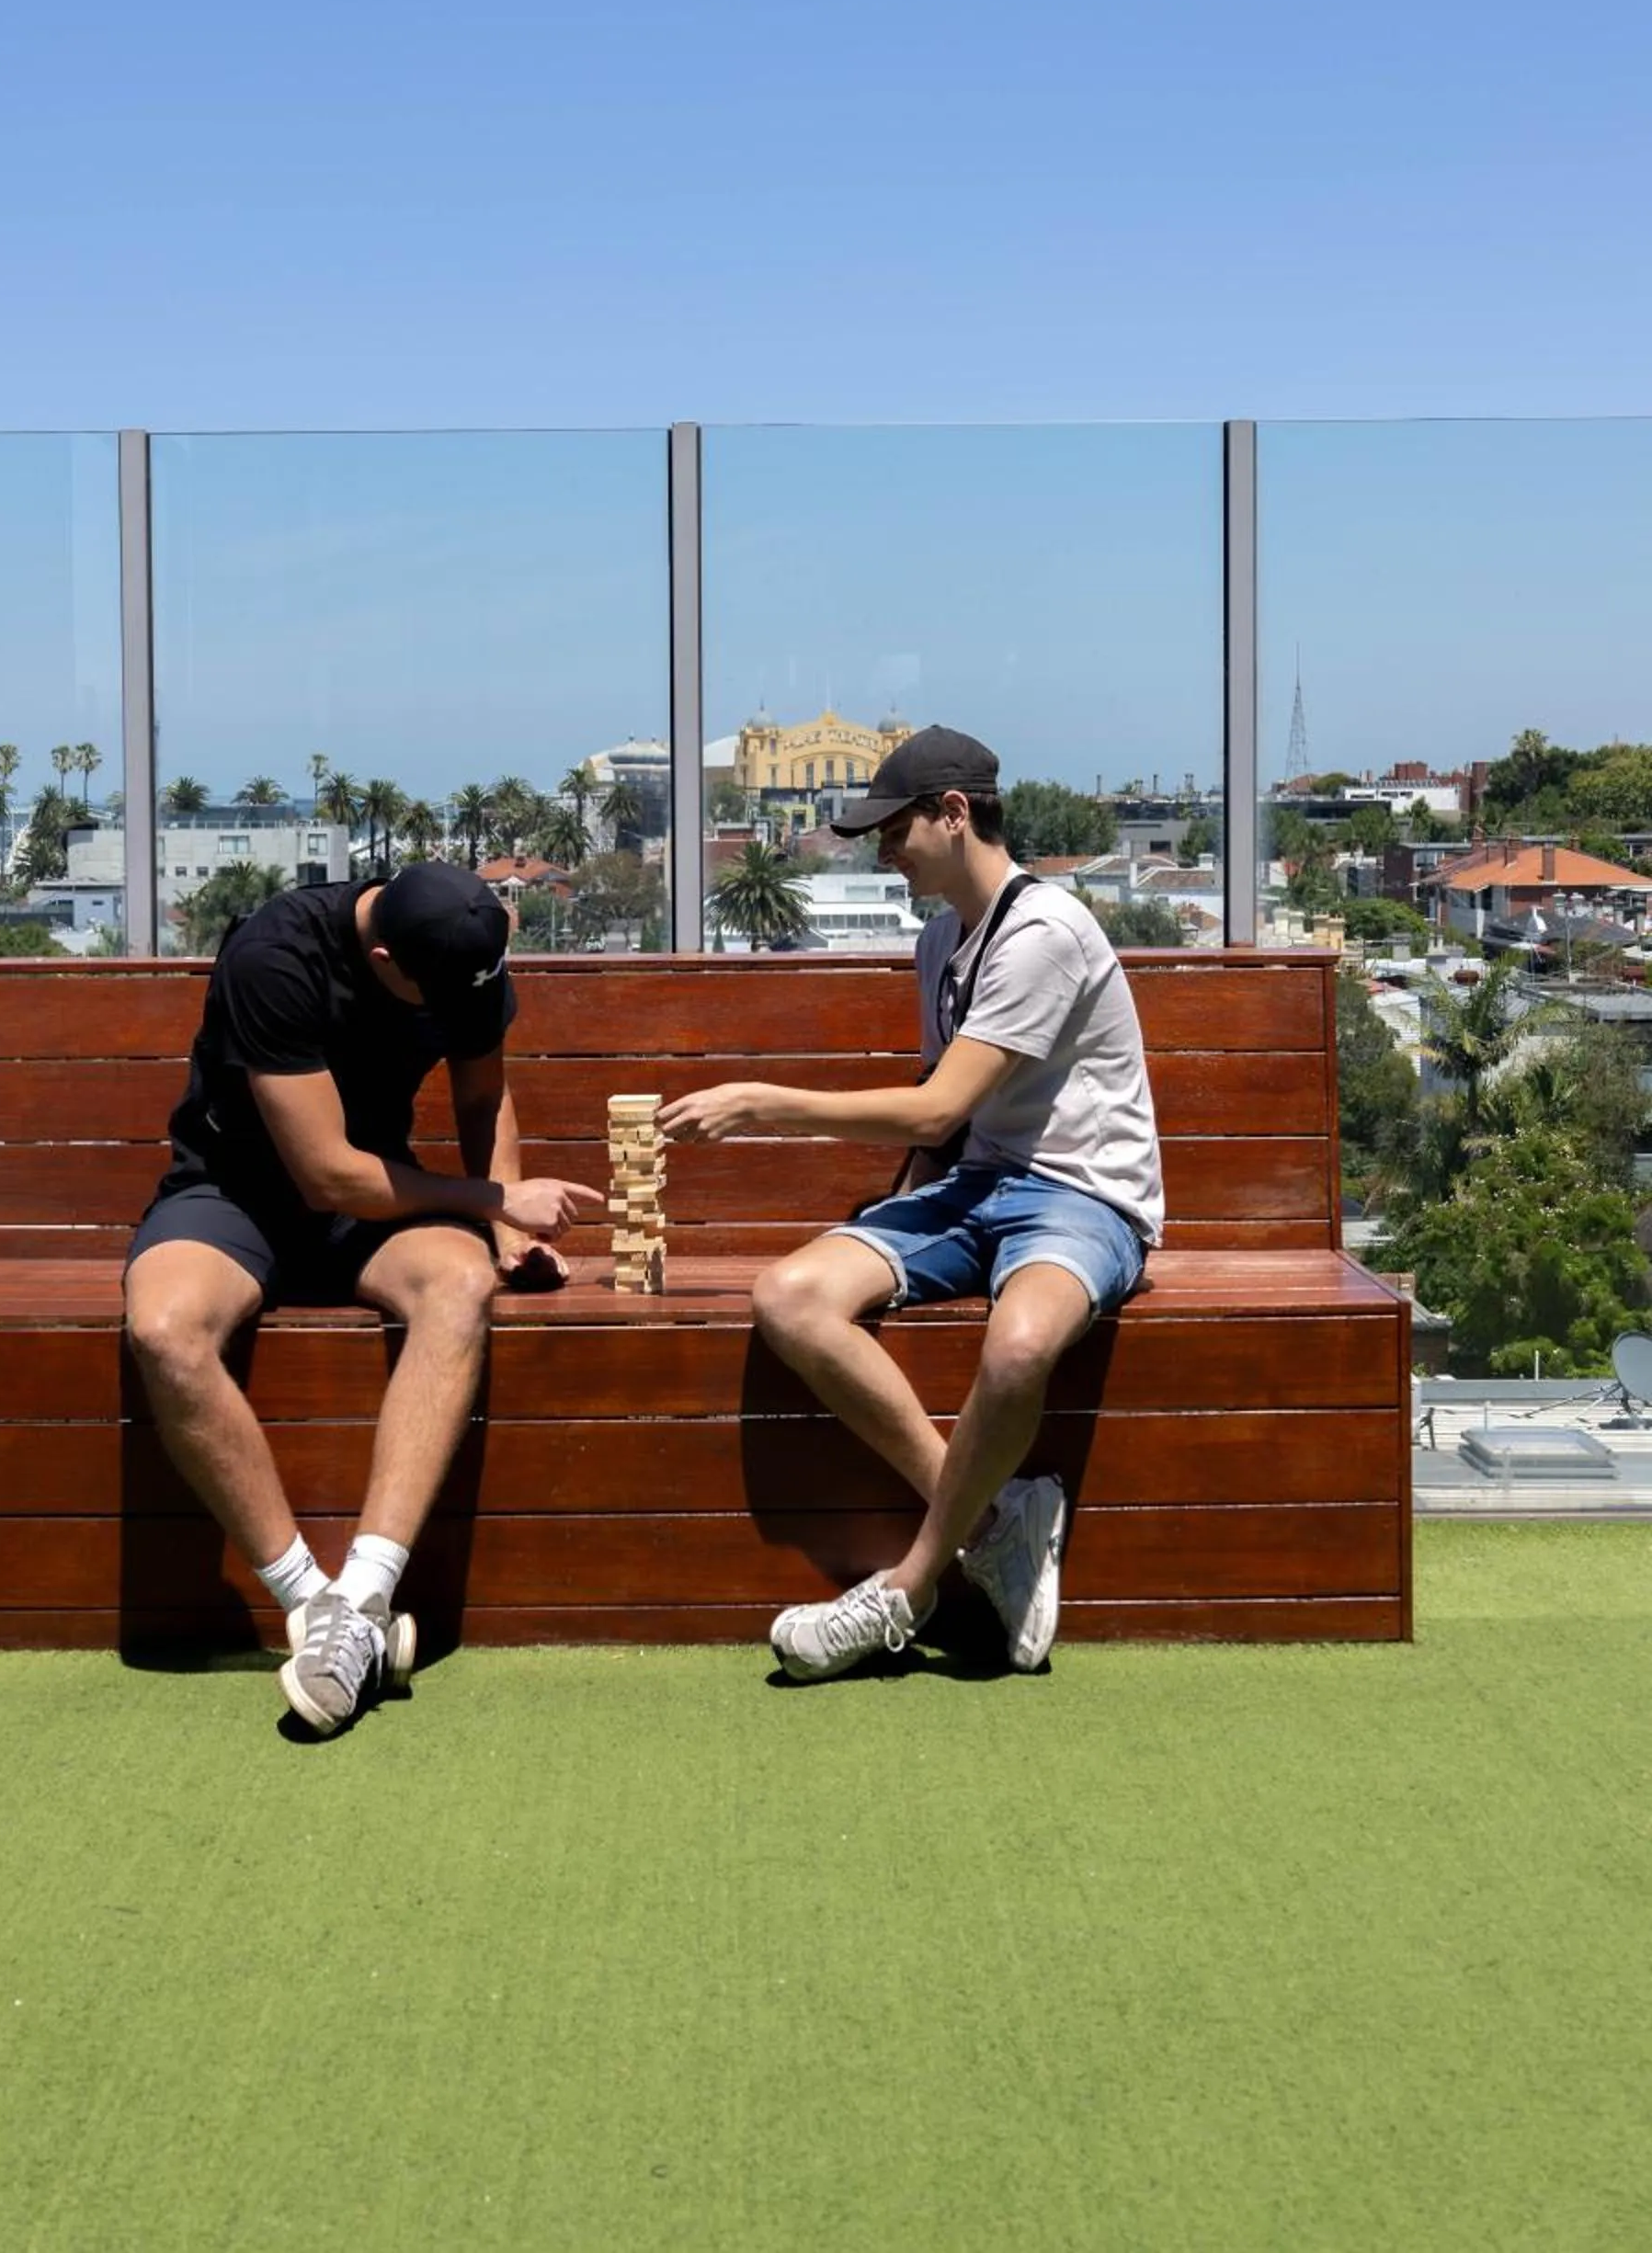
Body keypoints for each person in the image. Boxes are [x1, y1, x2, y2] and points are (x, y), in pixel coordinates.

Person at [659, 725, 1162, 1682]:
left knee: (1016, 1346)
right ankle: (994, 1522)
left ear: (953, 814)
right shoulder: (943, 939)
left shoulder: (1044, 933)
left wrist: (763, 1103)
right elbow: (942, 1128)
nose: (883, 853)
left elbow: (937, 1103)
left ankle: (906, 1588)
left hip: (1081, 1197)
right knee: (789, 1297)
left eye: (894, 831)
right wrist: (889, 1224)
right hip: (977, 1187)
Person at [123, 861, 601, 1735]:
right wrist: (494, 1202)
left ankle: (368, 1593)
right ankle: (315, 1608)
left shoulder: (464, 943)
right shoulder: (276, 956)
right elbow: (326, 1173)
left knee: (459, 1284)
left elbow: (482, 1088)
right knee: (164, 1331)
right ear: (381, 953)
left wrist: (505, 1236)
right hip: (237, 1195)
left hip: (375, 1204)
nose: (452, 1014)